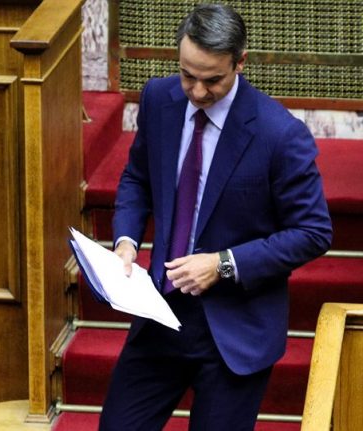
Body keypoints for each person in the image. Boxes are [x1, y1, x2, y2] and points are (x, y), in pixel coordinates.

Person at [101, 3, 332, 430]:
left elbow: (313, 231)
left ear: (240, 62)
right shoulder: (158, 99)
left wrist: (223, 263)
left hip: (235, 329)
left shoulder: (280, 134)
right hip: (160, 312)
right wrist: (126, 242)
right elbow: (137, 177)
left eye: (212, 80)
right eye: (188, 75)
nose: (197, 91)